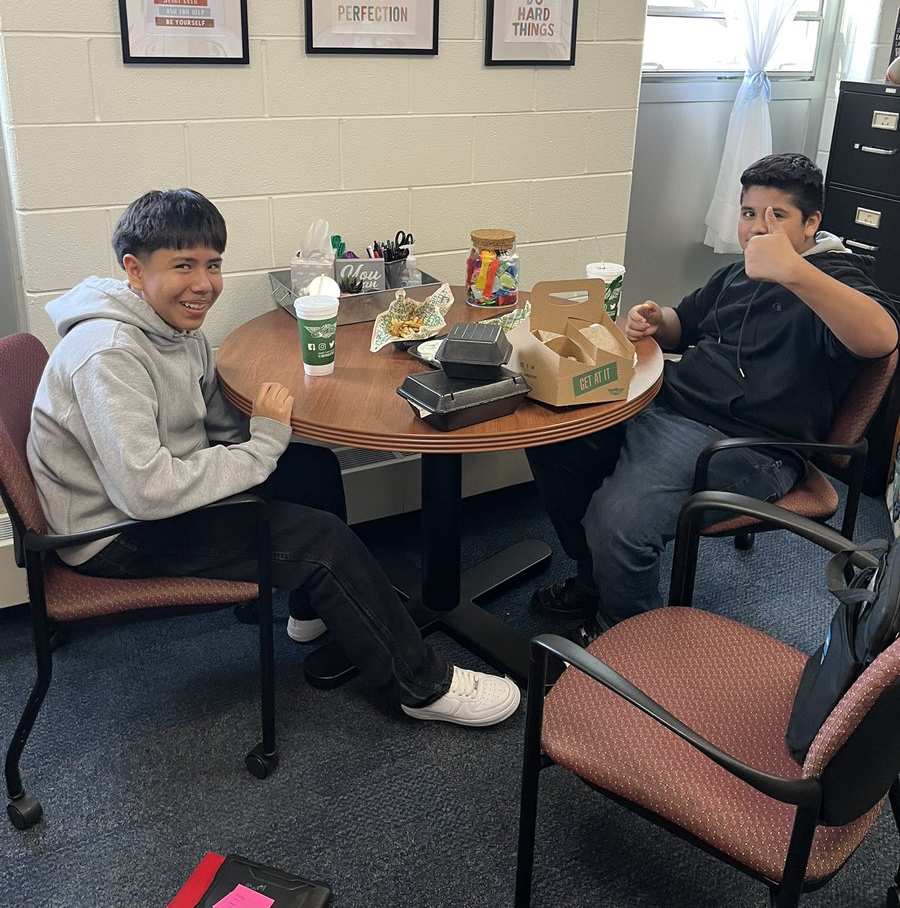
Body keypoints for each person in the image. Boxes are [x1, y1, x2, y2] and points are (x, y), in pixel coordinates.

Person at [27, 189, 519, 728]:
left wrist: (272, 423)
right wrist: (262, 445)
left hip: (145, 494)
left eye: (212, 265)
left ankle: (309, 611)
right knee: (321, 541)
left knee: (311, 468)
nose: (203, 284)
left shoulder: (174, 326)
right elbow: (146, 492)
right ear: (134, 270)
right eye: (183, 265)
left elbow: (214, 424)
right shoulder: (109, 353)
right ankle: (420, 686)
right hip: (113, 531)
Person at [526, 153, 900, 641]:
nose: (756, 229)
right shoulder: (738, 273)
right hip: (663, 406)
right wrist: (657, 320)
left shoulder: (836, 280)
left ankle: (622, 641)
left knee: (620, 522)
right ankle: (595, 577)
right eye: (748, 214)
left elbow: (882, 338)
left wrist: (795, 272)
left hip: (748, 442)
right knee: (553, 437)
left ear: (812, 224)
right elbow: (686, 325)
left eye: (777, 217)